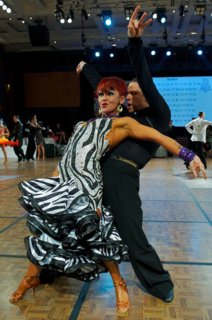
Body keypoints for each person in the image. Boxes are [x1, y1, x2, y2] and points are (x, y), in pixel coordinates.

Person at [10, 76, 206, 314]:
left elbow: (159, 137)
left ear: (122, 99)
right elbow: (69, 156)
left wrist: (189, 156)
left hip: (94, 185)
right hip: (67, 183)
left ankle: (136, 283)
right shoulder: (83, 124)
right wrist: (53, 180)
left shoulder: (123, 124)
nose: (103, 98)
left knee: (111, 235)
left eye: (110, 93)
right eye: (101, 94)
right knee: (53, 230)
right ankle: (40, 276)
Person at [76, 5, 176, 303]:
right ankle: (53, 269)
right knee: (72, 222)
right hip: (95, 174)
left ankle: (158, 282)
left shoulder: (158, 115)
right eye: (127, 95)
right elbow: (104, 89)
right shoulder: (123, 118)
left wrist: (134, 42)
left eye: (134, 93)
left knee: (132, 234)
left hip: (122, 178)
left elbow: (144, 77)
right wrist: (87, 69)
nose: (129, 97)